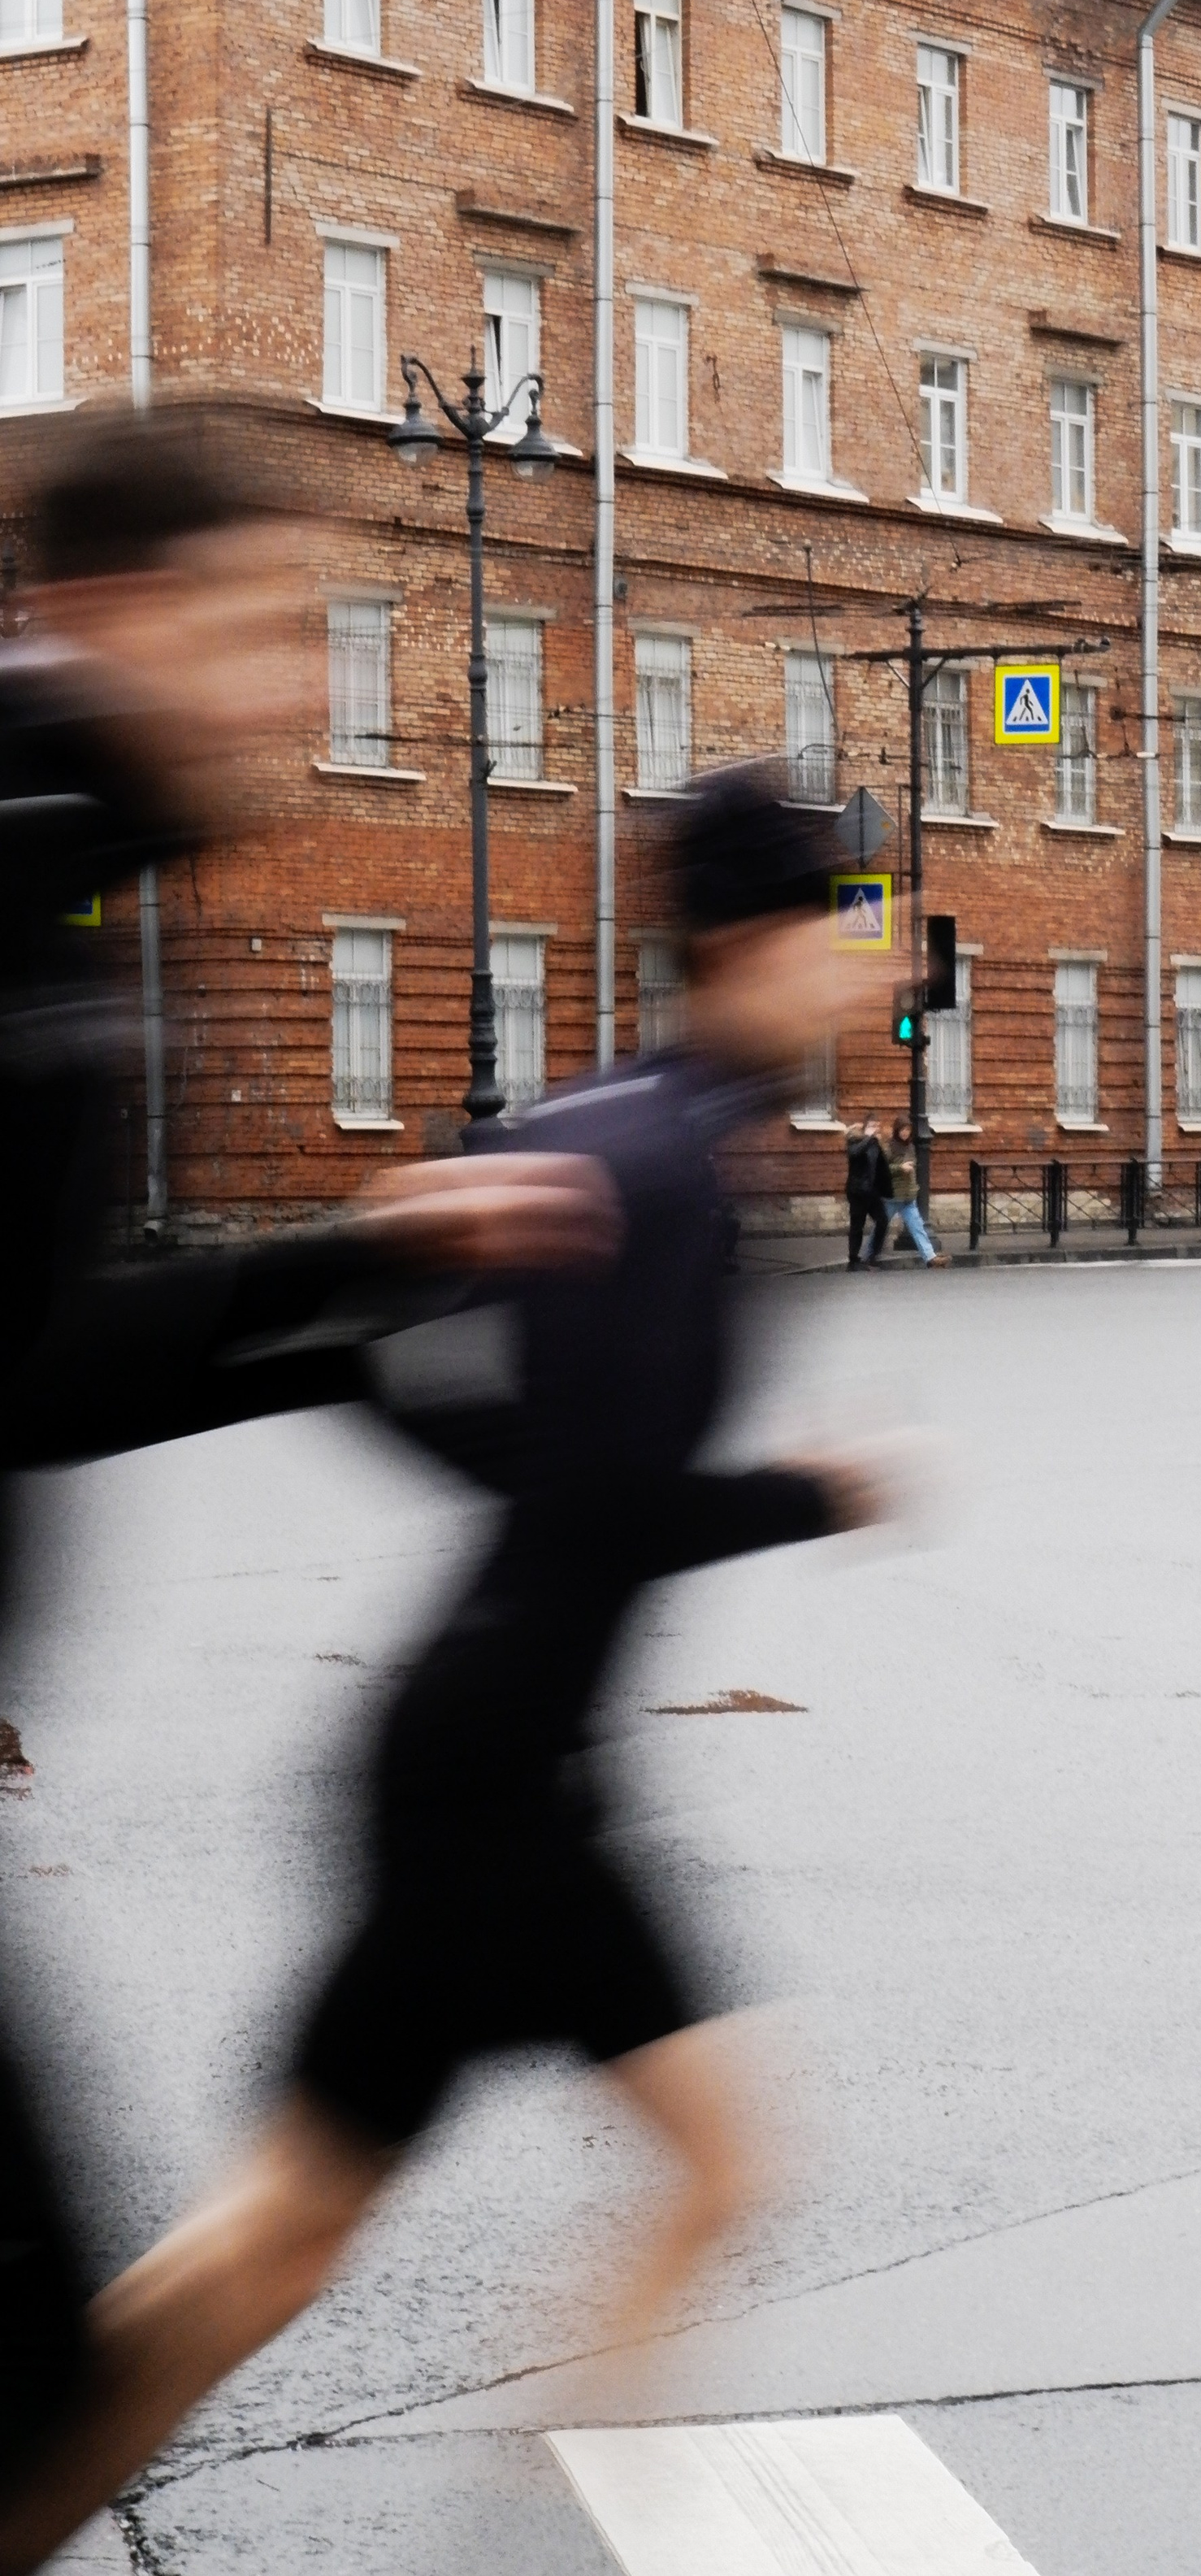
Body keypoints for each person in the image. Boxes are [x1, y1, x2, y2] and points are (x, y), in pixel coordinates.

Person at [0, 762, 897, 2571]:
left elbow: (403, 1372)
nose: (873, 977)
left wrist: (527, 1490)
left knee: (297, 2229)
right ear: (740, 938)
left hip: (494, 1748)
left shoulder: (636, 1125)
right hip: (493, 1779)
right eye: (845, 936)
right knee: (416, 2212)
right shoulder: (660, 1162)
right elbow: (599, 1500)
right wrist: (815, 1485)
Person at [0, 411, 620, 2568]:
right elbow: (38, 1355)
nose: (298, 686)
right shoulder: (26, 851)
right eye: (254, 629)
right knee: (44, 2373)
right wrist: (377, 1256)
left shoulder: (66, 852)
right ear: (95, 613)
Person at [882, 1117, 947, 1266]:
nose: (905, 1133)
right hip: (893, 1195)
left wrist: (911, 1168)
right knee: (881, 1227)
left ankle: (930, 1258)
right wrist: (900, 1168)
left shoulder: (910, 1147)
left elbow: (913, 1165)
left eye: (908, 1130)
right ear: (897, 1130)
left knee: (918, 1228)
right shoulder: (889, 1147)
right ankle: (868, 1255)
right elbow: (882, 1169)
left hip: (907, 1196)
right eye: (903, 1130)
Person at [843, 1112, 891, 1268]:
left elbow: (881, 1167)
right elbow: (853, 1153)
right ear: (865, 1127)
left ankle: (873, 1255)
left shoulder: (877, 1144)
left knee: (883, 1220)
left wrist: (885, 1188)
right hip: (857, 1190)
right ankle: (853, 1259)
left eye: (877, 1126)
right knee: (857, 1225)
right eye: (871, 1126)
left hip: (872, 1192)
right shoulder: (855, 1140)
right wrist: (869, 1138)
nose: (875, 1129)